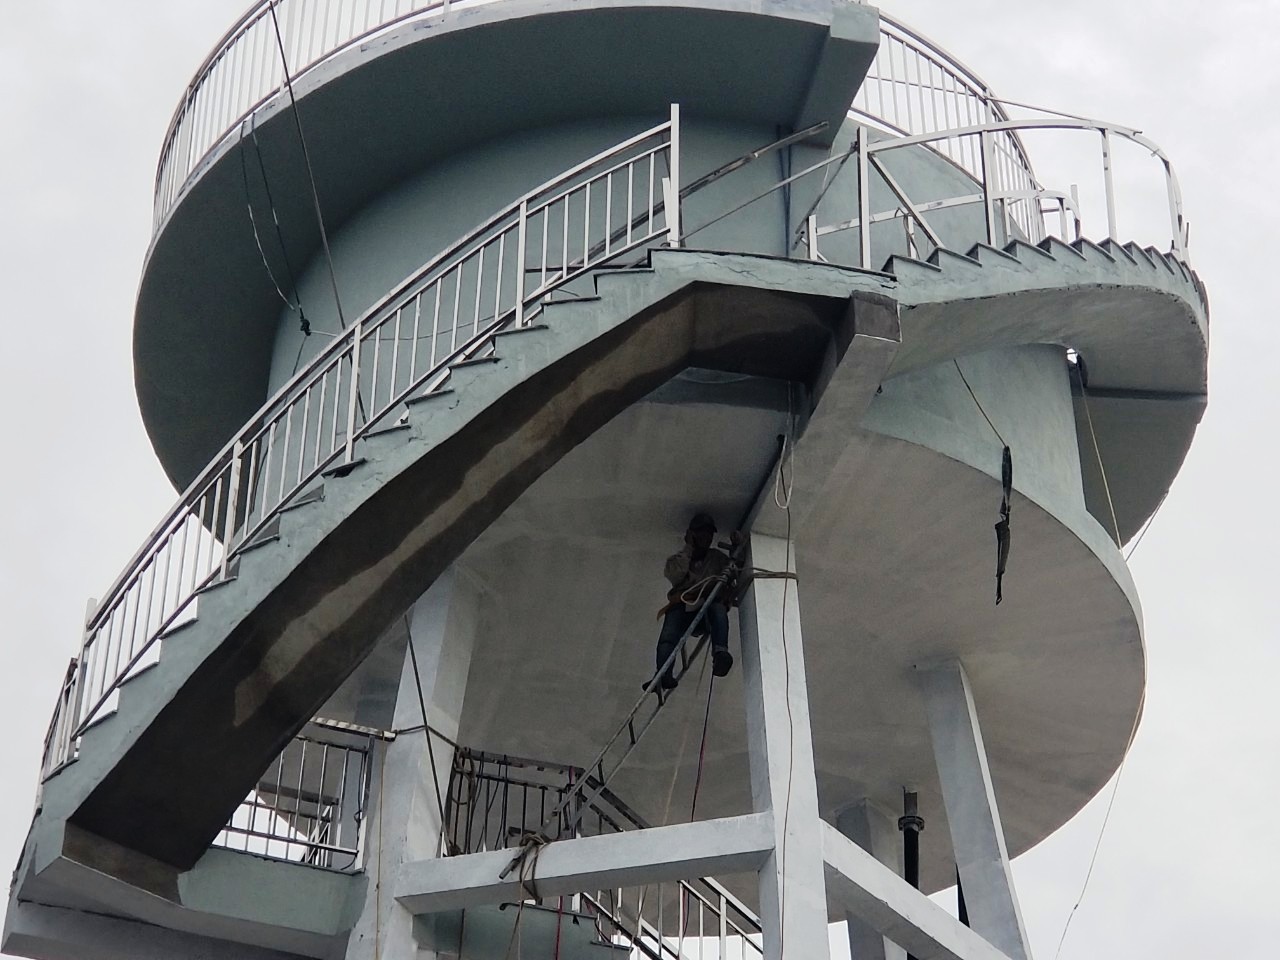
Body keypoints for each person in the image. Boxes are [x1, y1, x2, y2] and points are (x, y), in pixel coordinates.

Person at [654, 512, 737, 689]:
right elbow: (675, 575)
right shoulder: (678, 560)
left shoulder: (717, 559)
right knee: (669, 636)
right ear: (692, 534)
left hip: (706, 611)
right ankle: (663, 675)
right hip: (683, 608)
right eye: (701, 533)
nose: (706, 537)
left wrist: (737, 551)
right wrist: (688, 549)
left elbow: (735, 574)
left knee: (718, 610)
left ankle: (720, 654)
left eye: (709, 533)